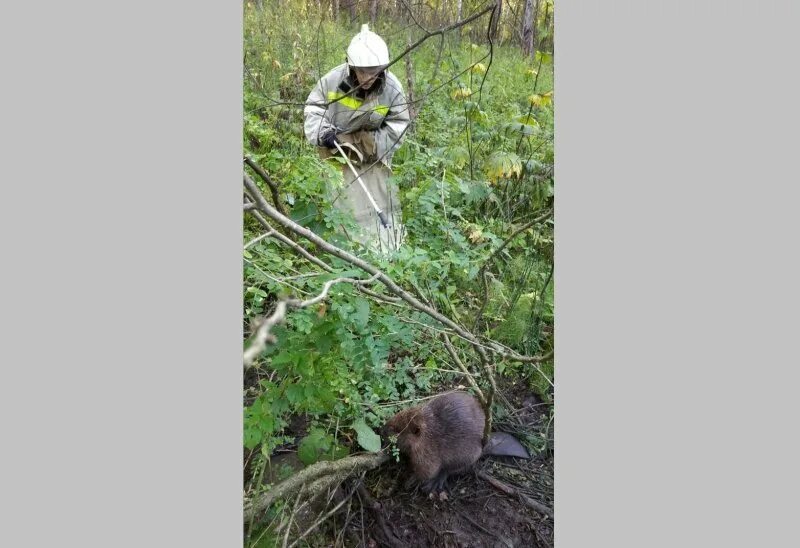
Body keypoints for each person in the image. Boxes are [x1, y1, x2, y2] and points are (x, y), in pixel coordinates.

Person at [304, 24, 410, 253]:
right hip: (336, 154)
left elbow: (399, 125)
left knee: (381, 204)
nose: (368, 77)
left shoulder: (392, 88)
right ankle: (341, 255)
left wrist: (368, 144)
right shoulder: (333, 81)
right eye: (362, 71)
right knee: (342, 207)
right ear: (351, 65)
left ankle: (388, 255)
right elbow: (314, 109)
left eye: (374, 70)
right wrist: (324, 133)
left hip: (373, 156)